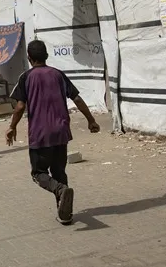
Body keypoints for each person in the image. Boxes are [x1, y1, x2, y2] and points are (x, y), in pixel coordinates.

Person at [6, 40, 100, 225]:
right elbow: (77, 99)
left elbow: (20, 106)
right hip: (61, 132)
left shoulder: (26, 77)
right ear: (46, 55)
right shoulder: (58, 74)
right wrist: (91, 120)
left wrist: (12, 126)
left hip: (40, 134)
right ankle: (65, 214)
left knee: (38, 173)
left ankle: (60, 191)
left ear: (29, 58)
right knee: (59, 172)